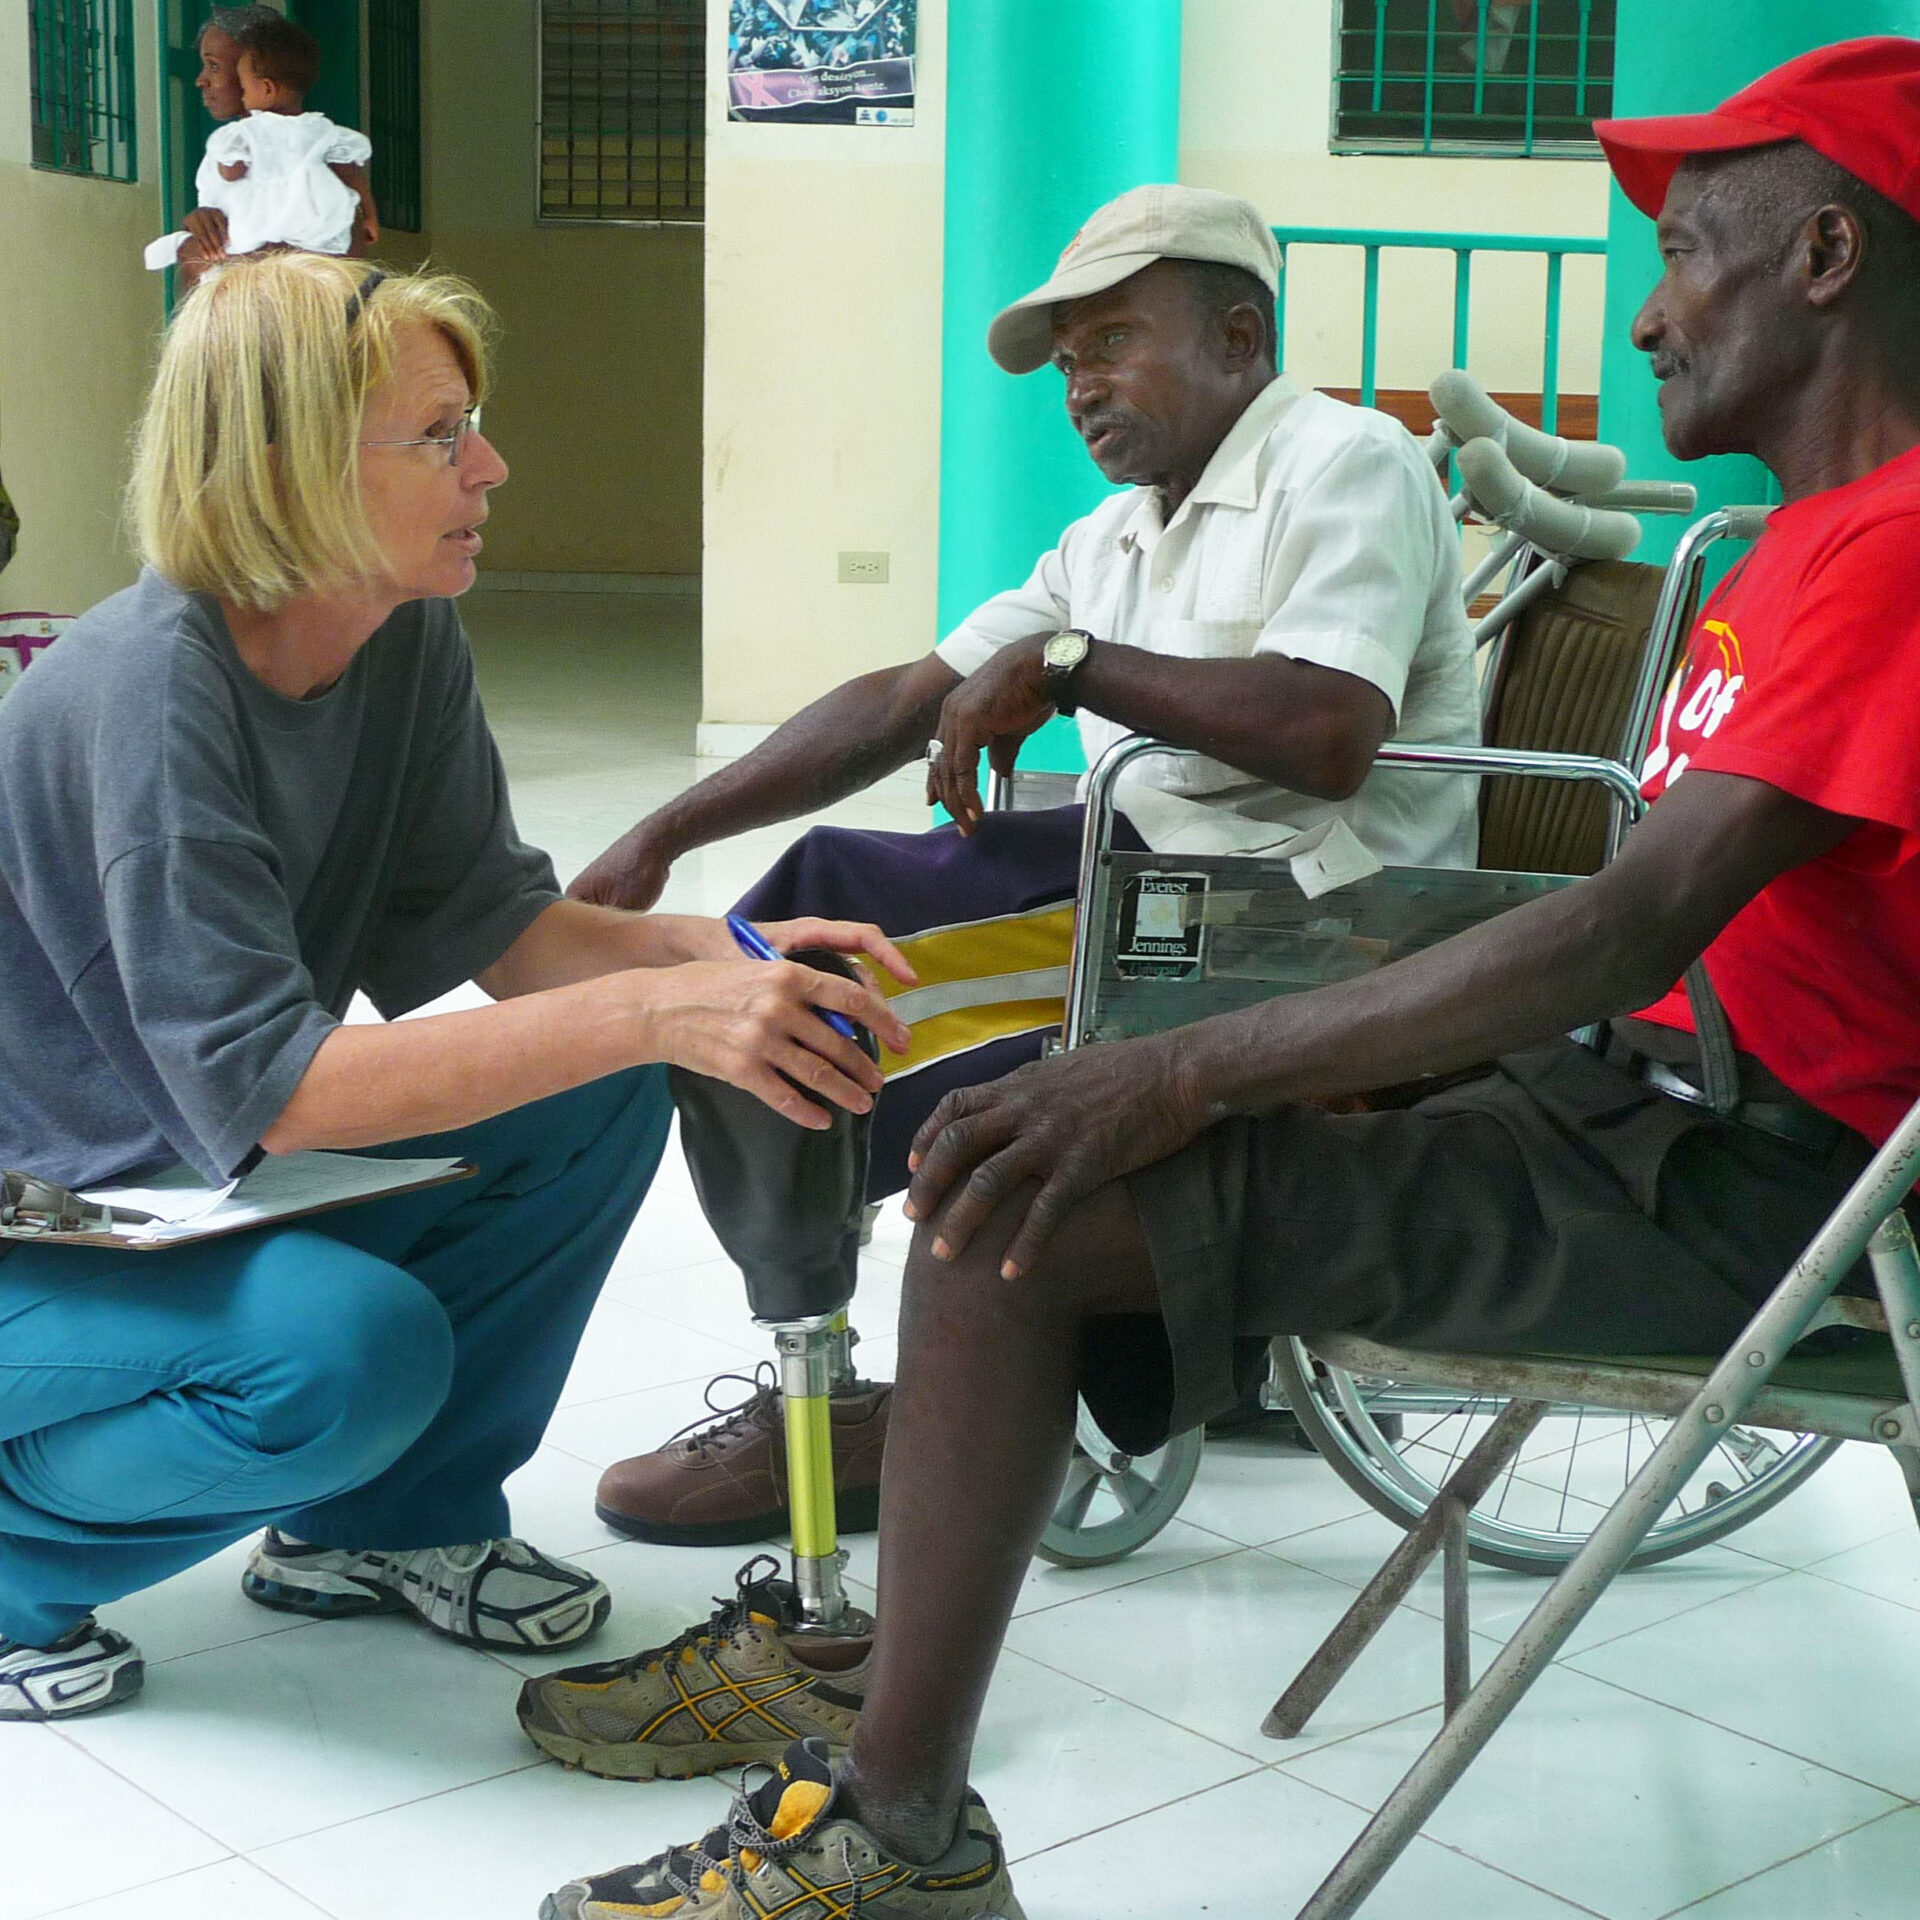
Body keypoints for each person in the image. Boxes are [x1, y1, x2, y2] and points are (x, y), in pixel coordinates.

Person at [539, 36, 1920, 1919]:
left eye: (1687, 253)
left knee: (1000, 1187)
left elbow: (1613, 915)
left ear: (1829, 259)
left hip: (1752, 1182)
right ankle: (863, 1531)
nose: (1652, 314)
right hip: (1633, 1096)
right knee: (871, 1011)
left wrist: (1185, 1075)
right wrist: (675, 835)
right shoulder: (1804, 549)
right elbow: (1634, 937)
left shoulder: (1880, 557)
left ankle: (897, 1803)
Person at [0, 251, 912, 1723]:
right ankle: (9, 1569)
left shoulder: (396, 632)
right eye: (437, 436)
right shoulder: (147, 694)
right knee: (343, 1350)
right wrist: (656, 1008)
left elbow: (510, 933)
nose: (489, 463)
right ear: (284, 463)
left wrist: (733, 961)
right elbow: (281, 1097)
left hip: (171, 1178)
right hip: (41, 1227)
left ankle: (384, 1527)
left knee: (601, 1073)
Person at [579, 183, 1482, 1555]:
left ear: (1240, 336)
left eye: (1113, 343)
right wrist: (669, 834)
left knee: (803, 986)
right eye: (1070, 362)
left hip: (1300, 915)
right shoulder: (1117, 532)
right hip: (1157, 881)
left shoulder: (1345, 463)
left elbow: (1326, 732)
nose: (1082, 385)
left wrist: (1069, 667)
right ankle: (902, 1357)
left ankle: (830, 1417)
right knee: (807, 903)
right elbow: (903, 695)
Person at [146, 13, 378, 283]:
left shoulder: (325, 194)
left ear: (257, 74)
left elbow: (327, 280)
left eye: (213, 65)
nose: (200, 80)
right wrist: (202, 224)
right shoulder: (232, 143)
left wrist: (239, 254)